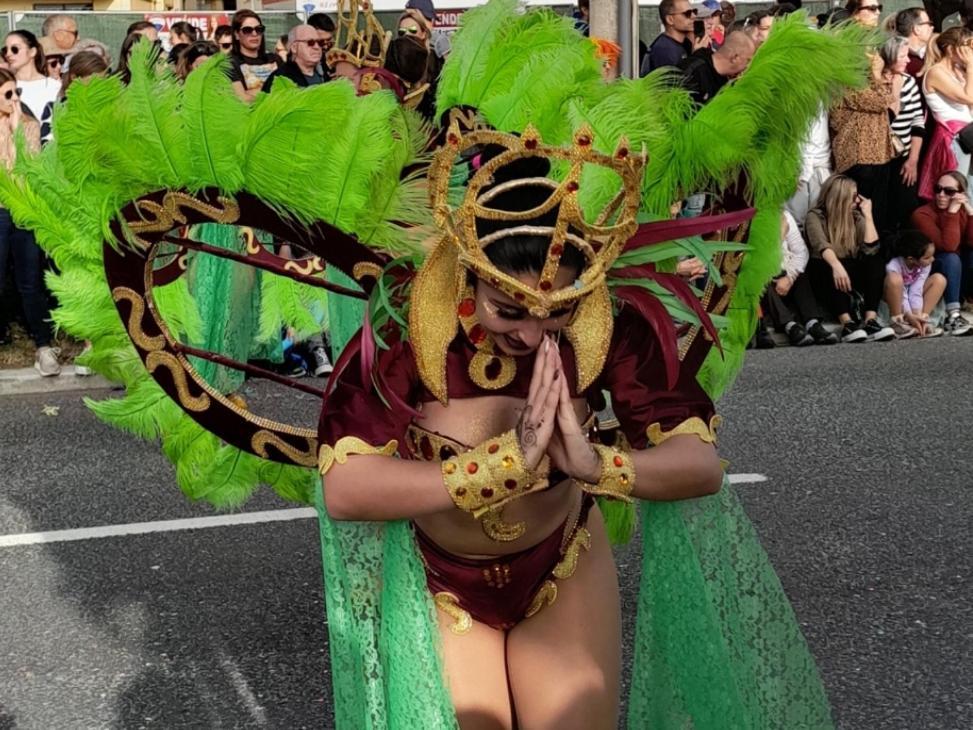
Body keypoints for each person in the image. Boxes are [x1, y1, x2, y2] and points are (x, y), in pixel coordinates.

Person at [0, 68, 55, 375]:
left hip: (23, 211)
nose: (14, 99)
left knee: (30, 283)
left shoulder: (29, 125)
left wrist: (17, 130)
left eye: (16, 92)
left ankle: (44, 345)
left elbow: (25, 172)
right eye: (8, 93)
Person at [829, 4, 897, 240]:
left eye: (880, 7)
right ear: (855, 12)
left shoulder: (868, 47)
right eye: (871, 7)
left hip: (878, 147)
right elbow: (875, 100)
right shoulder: (846, 52)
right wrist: (878, 77)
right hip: (857, 147)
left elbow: (888, 98)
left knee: (878, 215)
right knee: (859, 218)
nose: (878, 12)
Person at [805, 174, 896, 342]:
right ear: (840, 198)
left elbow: (871, 248)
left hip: (850, 272)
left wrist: (868, 216)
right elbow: (821, 245)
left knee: (875, 261)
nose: (857, 200)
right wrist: (836, 266)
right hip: (826, 271)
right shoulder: (815, 215)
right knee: (826, 264)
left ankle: (870, 320)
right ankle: (847, 324)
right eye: (853, 196)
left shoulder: (855, 215)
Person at [763, 210, 838, 345]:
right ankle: (790, 326)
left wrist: (790, 277)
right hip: (765, 274)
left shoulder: (784, 215)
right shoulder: (749, 221)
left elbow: (801, 252)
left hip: (785, 271)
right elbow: (761, 258)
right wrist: (780, 236)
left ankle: (812, 323)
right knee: (760, 281)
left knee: (801, 271)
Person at [910, 170, 973, 333]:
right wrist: (951, 213)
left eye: (949, 191)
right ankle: (953, 315)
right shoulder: (922, 214)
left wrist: (971, 213)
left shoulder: (961, 210)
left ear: (960, 194)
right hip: (931, 269)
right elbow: (947, 246)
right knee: (951, 257)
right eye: (938, 189)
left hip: (957, 271)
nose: (941, 195)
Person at [919, 27, 973, 199]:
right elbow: (968, 97)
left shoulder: (957, 71)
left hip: (968, 135)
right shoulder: (936, 72)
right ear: (951, 49)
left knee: (970, 189)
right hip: (954, 138)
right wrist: (971, 67)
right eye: (967, 46)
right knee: (957, 189)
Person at [882, 35, 924, 231]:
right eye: (903, 56)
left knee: (906, 208)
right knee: (881, 208)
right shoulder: (873, 83)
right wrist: (895, 91)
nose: (908, 60)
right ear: (889, 56)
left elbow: (917, 123)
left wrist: (913, 160)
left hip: (903, 157)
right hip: (878, 159)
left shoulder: (909, 82)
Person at [884, 229, 947, 338]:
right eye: (927, 257)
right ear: (911, 259)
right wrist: (909, 315)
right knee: (895, 279)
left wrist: (917, 315)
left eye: (932, 255)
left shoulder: (925, 265)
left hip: (912, 298)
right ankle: (898, 322)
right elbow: (902, 294)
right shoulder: (893, 266)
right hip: (896, 299)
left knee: (939, 279)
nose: (932, 259)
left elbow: (916, 290)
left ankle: (923, 320)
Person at [677, 29, 755, 105]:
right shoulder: (692, 72)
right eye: (747, 61)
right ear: (735, 57)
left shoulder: (727, 81)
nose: (748, 66)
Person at [2, 31, 59, 121]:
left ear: (32, 52)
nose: (8, 54)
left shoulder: (55, 86)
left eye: (14, 49)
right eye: (5, 50)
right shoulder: (5, 87)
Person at [228, 9, 280, 103]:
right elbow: (242, 99)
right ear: (236, 35)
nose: (254, 34)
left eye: (259, 29)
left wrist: (252, 93)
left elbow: (291, 90)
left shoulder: (275, 59)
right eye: (247, 30)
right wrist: (275, 91)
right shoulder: (229, 63)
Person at [640, 0, 704, 75]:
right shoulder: (664, 49)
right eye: (687, 13)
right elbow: (676, 83)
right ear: (670, 19)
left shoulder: (685, 43)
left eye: (694, 11)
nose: (693, 16)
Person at [263, 25, 328, 92]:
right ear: (294, 47)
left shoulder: (325, 74)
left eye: (320, 43)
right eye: (310, 42)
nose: (317, 47)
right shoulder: (280, 79)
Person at [894, 7, 934, 76]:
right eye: (929, 23)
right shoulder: (902, 64)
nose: (932, 27)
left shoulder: (934, 50)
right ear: (917, 29)